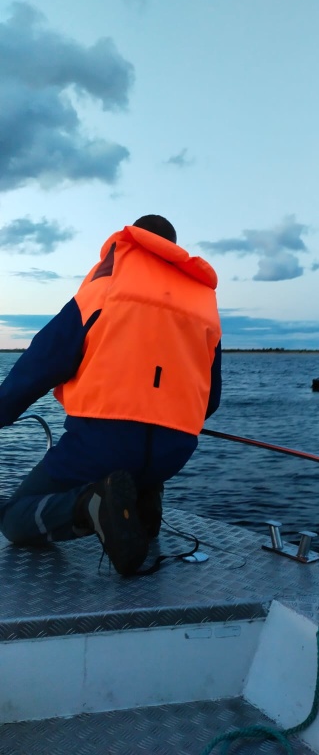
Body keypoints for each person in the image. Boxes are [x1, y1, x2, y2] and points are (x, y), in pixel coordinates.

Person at [0, 215, 222, 576]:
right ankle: (143, 500)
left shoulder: (107, 284)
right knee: (143, 460)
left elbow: (41, 363)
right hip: (174, 452)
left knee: (13, 520)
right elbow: (209, 401)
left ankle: (91, 505)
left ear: (134, 241)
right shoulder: (203, 305)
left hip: (101, 443)